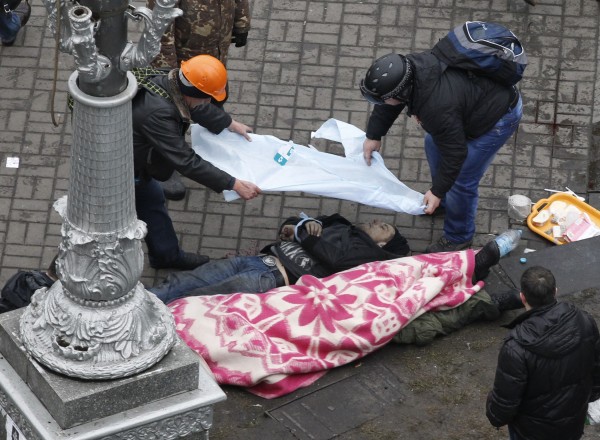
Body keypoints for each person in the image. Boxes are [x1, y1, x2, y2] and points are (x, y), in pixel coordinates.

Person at [359, 50, 523, 253]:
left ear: (401, 93)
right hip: (471, 103)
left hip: (498, 117)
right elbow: (389, 99)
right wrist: (374, 134)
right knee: (433, 144)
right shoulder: (407, 70)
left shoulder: (435, 109)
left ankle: (458, 236)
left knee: (461, 180)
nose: (381, 103)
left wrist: (438, 189)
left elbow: (456, 154)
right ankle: (443, 203)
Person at [132, 54, 261, 270]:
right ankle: (57, 271)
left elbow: (195, 106)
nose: (209, 102)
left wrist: (229, 123)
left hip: (135, 167)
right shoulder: (158, 114)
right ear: (192, 93)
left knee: (152, 202)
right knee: (96, 226)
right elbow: (186, 161)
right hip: (120, 173)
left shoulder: (172, 78)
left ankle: (166, 256)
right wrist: (232, 184)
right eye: (207, 97)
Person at [150, 213, 411, 304]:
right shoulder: (342, 224)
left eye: (384, 227)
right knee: (182, 282)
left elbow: (334, 261)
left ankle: (137, 333)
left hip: (269, 278)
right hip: (259, 260)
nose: (377, 221)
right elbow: (297, 223)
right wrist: (295, 226)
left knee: (196, 297)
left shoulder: (367, 255)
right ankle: (127, 308)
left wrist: (303, 234)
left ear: (382, 244)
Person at [146, 0, 251, 200]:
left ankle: (214, 151)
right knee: (173, 122)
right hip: (185, 64)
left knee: (216, 101)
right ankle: (163, 171)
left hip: (214, 60)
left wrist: (241, 21)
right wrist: (167, 73)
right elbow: (159, 27)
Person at [486, 266, 600, 440]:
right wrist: (585, 399)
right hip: (571, 424)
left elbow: (504, 404)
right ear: (555, 291)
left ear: (522, 297)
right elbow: (597, 369)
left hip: (531, 431)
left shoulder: (516, 347)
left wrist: (494, 415)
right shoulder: (584, 320)